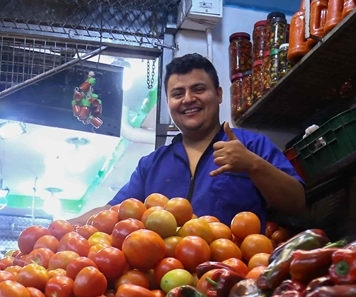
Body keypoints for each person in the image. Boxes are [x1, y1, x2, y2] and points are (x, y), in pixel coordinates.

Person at [70, 53, 305, 228]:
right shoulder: (151, 165)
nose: (188, 99)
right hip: (164, 282)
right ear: (169, 102)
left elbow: (297, 203)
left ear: (219, 94)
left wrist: (253, 165)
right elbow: (114, 210)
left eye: (198, 89)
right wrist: (61, 227)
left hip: (234, 281)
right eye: (177, 93)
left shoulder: (252, 146)